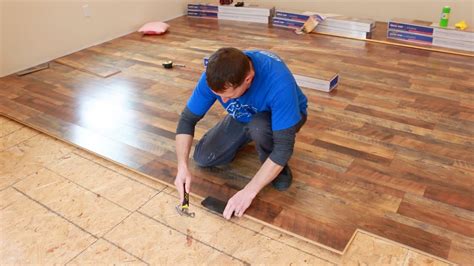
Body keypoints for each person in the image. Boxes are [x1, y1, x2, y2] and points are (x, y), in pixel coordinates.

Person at [174, 47, 308, 219]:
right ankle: (251, 135)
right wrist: (182, 167)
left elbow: (283, 148)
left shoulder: (279, 83)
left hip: (283, 116)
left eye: (229, 96)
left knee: (259, 127)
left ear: (248, 79)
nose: (223, 101)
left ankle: (277, 168)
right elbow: (187, 120)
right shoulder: (214, 75)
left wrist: (248, 192)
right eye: (218, 95)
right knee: (203, 157)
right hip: (243, 115)